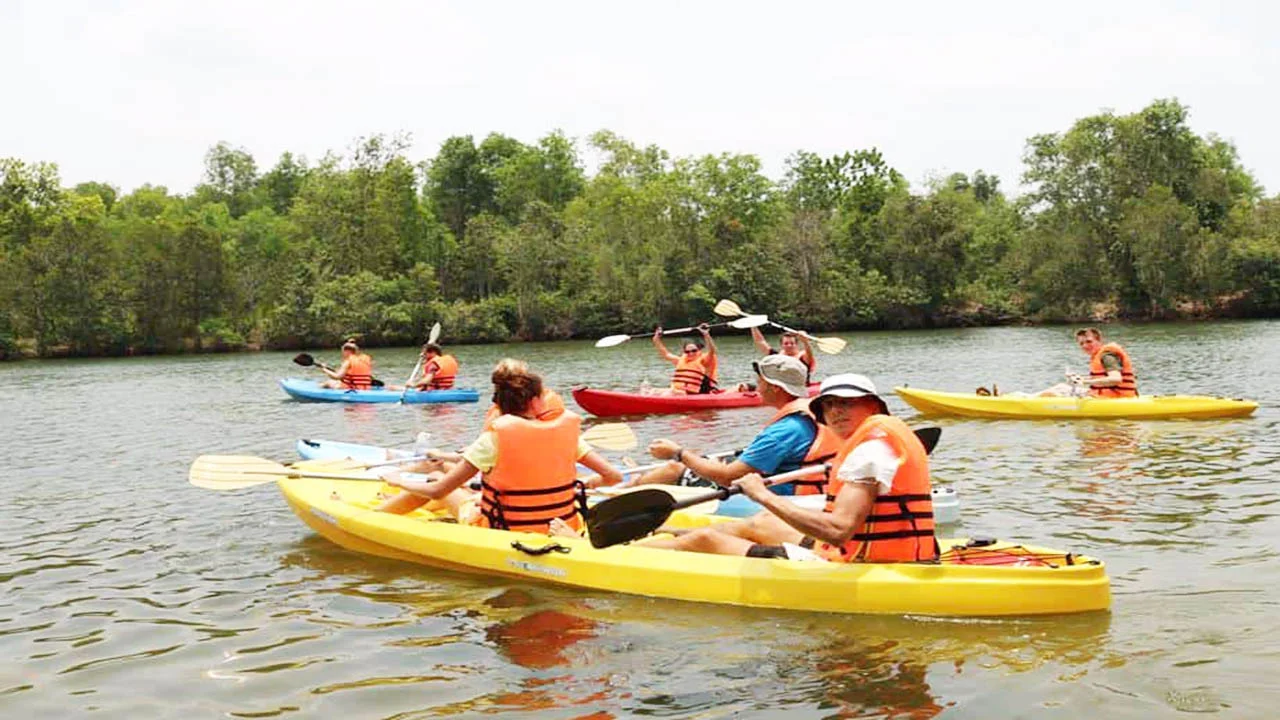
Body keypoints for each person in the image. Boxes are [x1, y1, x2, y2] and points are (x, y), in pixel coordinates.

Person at [640, 373, 937, 564]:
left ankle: (617, 555)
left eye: (848, 403)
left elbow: (839, 531)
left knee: (707, 540)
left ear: (873, 408)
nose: (836, 411)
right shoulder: (876, 441)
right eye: (830, 404)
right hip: (870, 550)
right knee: (759, 524)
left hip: (862, 562)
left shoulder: (870, 451)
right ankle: (663, 532)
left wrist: (762, 494)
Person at [376, 359, 623, 535]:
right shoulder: (568, 435)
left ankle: (374, 519)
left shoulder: (494, 439)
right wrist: (588, 484)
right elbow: (613, 477)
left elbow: (438, 491)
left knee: (432, 480)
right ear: (537, 402)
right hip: (563, 527)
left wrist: (398, 480)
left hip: (503, 529)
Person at [634, 354, 839, 497]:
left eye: (760, 382)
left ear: (775, 388)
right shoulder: (814, 414)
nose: (757, 386)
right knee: (699, 461)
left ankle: (617, 495)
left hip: (781, 497)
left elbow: (728, 478)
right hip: (807, 487)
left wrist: (678, 452)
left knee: (673, 468)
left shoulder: (785, 430)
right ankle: (626, 485)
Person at [1038, 327, 1138, 398]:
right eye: (1081, 343)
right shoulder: (1100, 355)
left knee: (1060, 389)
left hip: (1115, 398)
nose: (1085, 346)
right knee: (1061, 388)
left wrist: (1085, 382)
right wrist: (1080, 379)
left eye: (1089, 342)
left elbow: (1116, 379)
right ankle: (1031, 400)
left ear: (1099, 340)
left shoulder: (1107, 356)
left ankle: (1028, 403)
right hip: (1110, 396)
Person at [649, 323, 718, 395]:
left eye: (694, 351)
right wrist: (656, 339)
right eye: (687, 352)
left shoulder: (703, 360)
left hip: (693, 393)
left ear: (699, 350)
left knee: (670, 392)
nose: (691, 353)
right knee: (653, 391)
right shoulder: (680, 360)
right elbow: (666, 354)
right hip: (679, 391)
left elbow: (712, 350)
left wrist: (706, 335)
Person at [751, 327, 816, 381]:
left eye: (792, 343)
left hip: (800, 386)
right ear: (781, 345)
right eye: (786, 343)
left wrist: (805, 341)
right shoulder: (777, 356)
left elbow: (809, 355)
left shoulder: (803, 356)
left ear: (796, 344)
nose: (789, 345)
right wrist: (753, 326)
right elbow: (760, 341)